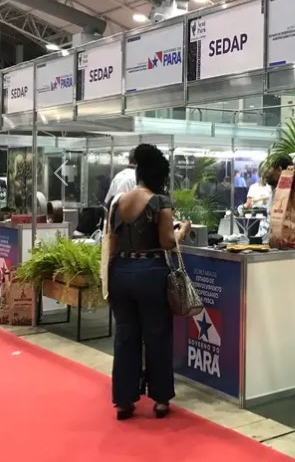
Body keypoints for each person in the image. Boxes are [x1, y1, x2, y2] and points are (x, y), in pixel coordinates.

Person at [107, 143, 191, 421]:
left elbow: (112, 244)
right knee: (157, 335)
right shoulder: (159, 202)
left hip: (121, 272)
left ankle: (123, 401)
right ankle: (161, 399)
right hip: (151, 273)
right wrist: (183, 231)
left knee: (125, 336)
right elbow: (167, 242)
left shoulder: (117, 202)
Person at [266, 155, 295, 247]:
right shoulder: (275, 192)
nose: (267, 172)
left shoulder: (292, 191)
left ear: (279, 170)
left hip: (288, 246)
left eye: (269, 168)